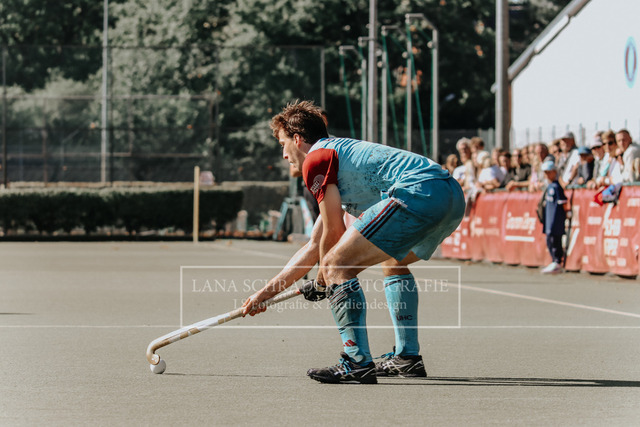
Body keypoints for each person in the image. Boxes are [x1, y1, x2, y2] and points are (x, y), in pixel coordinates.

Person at [242, 100, 465, 384]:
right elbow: (315, 244)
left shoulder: (316, 159)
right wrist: (266, 293)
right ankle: (407, 357)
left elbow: (333, 237)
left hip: (418, 192)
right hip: (450, 195)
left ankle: (356, 361)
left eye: (283, 144)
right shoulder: (338, 157)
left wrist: (324, 280)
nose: (284, 154)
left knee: (337, 265)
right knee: (392, 262)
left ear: (297, 139)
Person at [540, 160, 570, 274]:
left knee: (555, 239)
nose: (547, 175)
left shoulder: (557, 187)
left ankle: (557, 261)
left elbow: (563, 203)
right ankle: (553, 260)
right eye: (545, 172)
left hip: (556, 219)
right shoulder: (549, 186)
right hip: (549, 218)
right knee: (549, 239)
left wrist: (565, 215)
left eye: (549, 172)